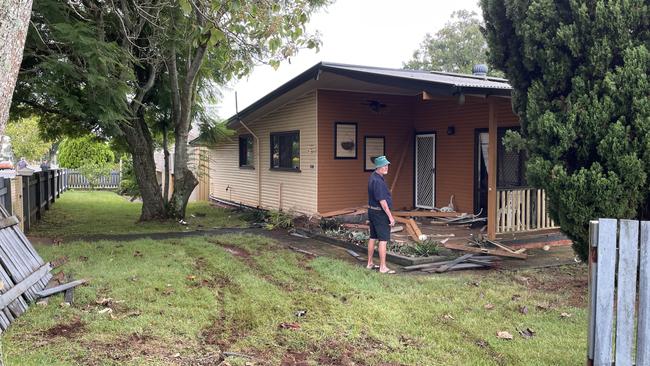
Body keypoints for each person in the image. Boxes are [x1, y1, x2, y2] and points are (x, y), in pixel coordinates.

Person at [366, 155, 396, 274]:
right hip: (379, 213)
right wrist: (390, 216)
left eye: (387, 165)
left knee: (373, 237)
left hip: (372, 211)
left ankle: (370, 263)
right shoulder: (378, 181)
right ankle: (383, 267)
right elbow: (382, 202)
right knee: (383, 240)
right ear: (378, 167)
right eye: (384, 165)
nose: (386, 167)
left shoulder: (373, 176)